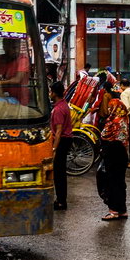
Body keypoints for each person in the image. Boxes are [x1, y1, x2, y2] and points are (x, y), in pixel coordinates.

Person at [98, 85, 130, 221]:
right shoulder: (124, 120)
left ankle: (113, 211)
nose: (110, 109)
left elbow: (104, 134)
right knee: (120, 182)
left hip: (113, 152)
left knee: (112, 182)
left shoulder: (113, 122)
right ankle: (122, 210)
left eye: (111, 108)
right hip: (122, 152)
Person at [49, 81, 73, 211]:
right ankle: (60, 199)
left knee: (59, 173)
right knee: (60, 172)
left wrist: (54, 149)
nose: (49, 93)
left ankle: (61, 201)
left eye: (50, 91)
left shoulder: (58, 109)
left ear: (54, 93)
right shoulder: (63, 105)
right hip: (65, 140)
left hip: (62, 141)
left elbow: (58, 132)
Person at [0, 39, 30, 104]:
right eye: (13, 48)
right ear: (5, 47)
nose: (16, 51)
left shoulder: (23, 59)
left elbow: (17, 80)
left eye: (18, 48)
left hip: (18, 100)